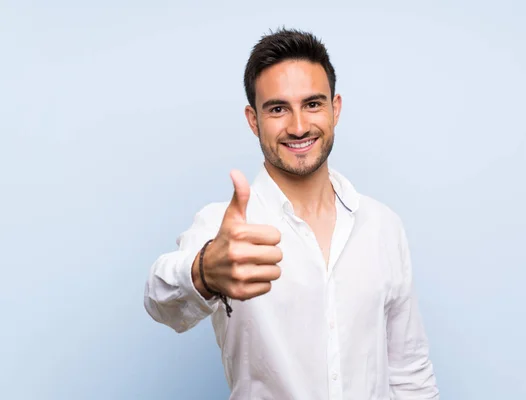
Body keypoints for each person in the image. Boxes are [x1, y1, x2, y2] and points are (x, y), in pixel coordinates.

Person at [144, 28, 439, 399]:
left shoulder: (383, 226)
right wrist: (203, 272)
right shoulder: (226, 230)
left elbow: (409, 369)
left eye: (313, 104)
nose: (299, 126)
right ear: (254, 120)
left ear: (336, 108)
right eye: (278, 109)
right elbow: (159, 300)